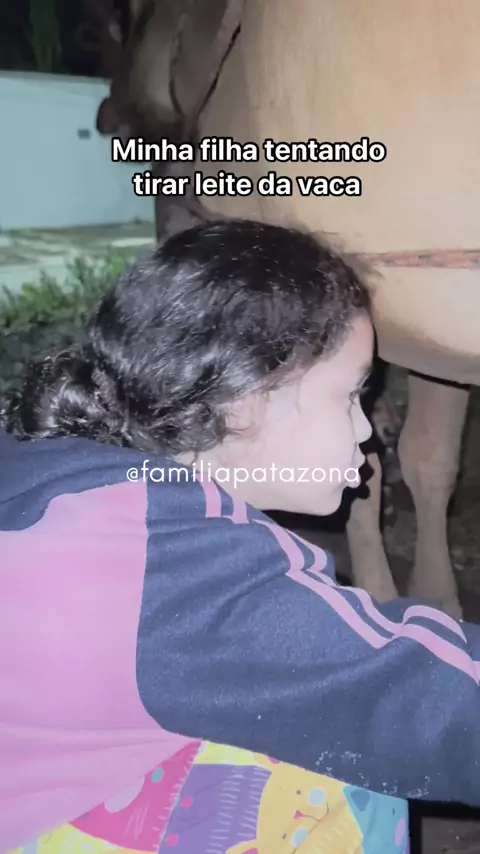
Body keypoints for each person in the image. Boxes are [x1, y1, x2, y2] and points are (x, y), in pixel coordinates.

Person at [1, 218, 479, 854]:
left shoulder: (67, 473)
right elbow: (411, 693)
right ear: (247, 400)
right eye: (351, 396)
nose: (367, 429)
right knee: (334, 777)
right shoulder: (182, 573)